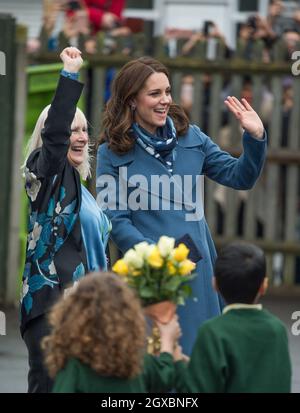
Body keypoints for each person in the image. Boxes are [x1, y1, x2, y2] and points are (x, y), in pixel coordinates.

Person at [96, 56, 267, 355]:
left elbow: (240, 177)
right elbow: (116, 222)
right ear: (132, 100)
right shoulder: (110, 153)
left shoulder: (192, 136)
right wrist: (159, 259)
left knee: (201, 363)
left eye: (167, 91)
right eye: (154, 94)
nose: (165, 101)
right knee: (158, 366)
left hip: (198, 269)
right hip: (151, 277)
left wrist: (255, 137)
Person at [21, 47, 111, 393]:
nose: (81, 136)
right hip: (52, 308)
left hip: (89, 311)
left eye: (85, 129)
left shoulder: (83, 191)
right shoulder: (42, 175)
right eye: (72, 129)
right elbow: (55, 142)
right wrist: (69, 75)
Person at [174, 242, 292, 393]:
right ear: (264, 286)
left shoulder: (212, 331)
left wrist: (176, 358)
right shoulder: (277, 329)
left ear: (214, 284)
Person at [42, 272, 180, 393]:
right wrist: (167, 341)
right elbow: (165, 378)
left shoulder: (74, 366)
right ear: (129, 316)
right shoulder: (138, 361)